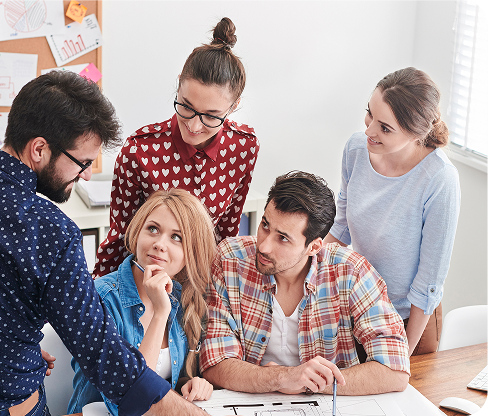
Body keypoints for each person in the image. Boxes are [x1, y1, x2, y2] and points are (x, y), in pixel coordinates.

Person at [0, 71, 207, 416]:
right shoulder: (52, 232)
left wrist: (2, 347)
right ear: (39, 149)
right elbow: (104, 357)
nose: (85, 175)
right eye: (81, 162)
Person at [200, 171, 410, 396]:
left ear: (314, 247)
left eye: (283, 238)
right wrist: (282, 378)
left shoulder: (351, 271)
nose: (263, 246)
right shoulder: (230, 259)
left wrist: (308, 383)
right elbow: (214, 363)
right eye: (265, 225)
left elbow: (395, 370)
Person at [93, 17, 259, 278]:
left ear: (234, 105)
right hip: (146, 280)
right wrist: (99, 293)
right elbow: (121, 238)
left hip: (204, 281)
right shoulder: (138, 151)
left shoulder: (243, 147)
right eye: (186, 106)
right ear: (179, 84)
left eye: (211, 116)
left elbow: (226, 233)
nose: (193, 125)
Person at [323, 67, 461, 357]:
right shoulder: (356, 150)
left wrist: (402, 356)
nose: (369, 131)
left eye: (384, 128)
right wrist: (303, 267)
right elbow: (341, 228)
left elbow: (428, 283)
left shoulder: (439, 179)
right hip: (362, 307)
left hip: (411, 321)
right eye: (369, 114)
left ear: (416, 134)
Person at [69, 189, 216, 415]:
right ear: (138, 232)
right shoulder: (100, 298)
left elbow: (167, 377)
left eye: (176, 237)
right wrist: (160, 313)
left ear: (191, 253)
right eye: (153, 229)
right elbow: (133, 397)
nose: (160, 244)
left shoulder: (182, 298)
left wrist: (192, 383)